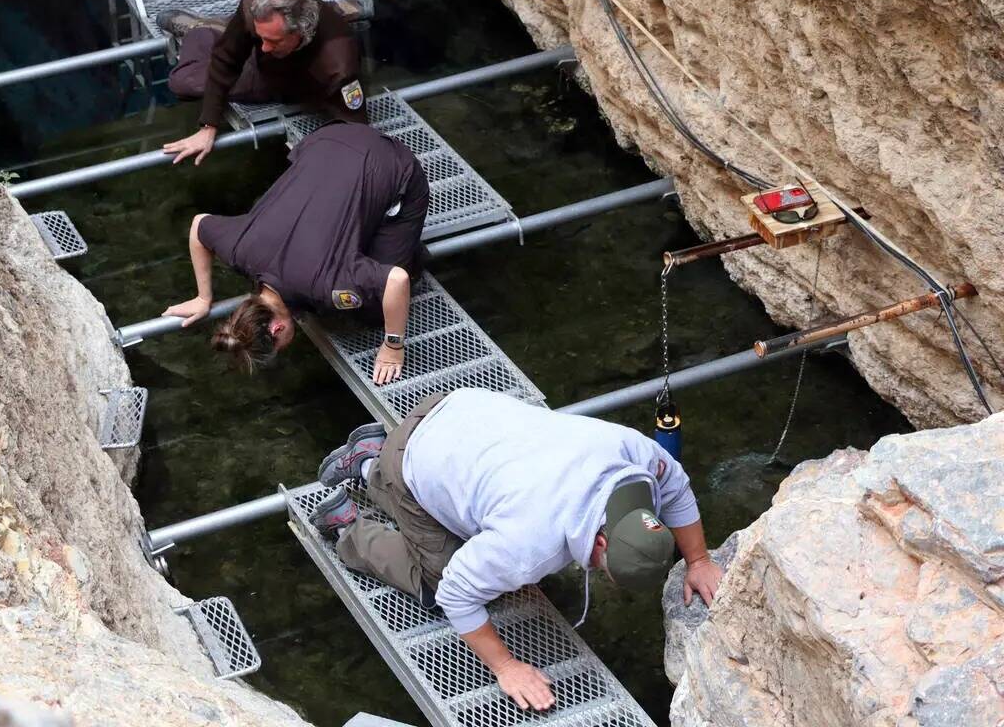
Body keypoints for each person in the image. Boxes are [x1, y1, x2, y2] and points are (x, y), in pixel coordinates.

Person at [309, 388, 725, 712]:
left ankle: (376, 459)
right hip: (419, 455)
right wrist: (506, 668)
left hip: (464, 411)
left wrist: (699, 560)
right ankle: (350, 518)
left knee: (474, 528)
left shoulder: (637, 457)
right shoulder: (531, 543)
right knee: (434, 584)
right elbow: (458, 594)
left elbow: (677, 487)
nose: (599, 572)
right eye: (604, 567)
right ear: (601, 541)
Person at [162, 121, 428, 384]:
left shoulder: (326, 285)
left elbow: (396, 280)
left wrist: (393, 346)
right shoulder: (239, 251)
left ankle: (416, 255)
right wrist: (202, 297)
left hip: (390, 162)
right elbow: (199, 226)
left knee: (370, 310)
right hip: (329, 137)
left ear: (277, 328)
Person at [158, 0, 368, 166]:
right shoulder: (253, 7)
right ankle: (199, 29)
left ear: (299, 33)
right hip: (266, 58)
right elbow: (225, 60)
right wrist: (209, 125)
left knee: (196, 74)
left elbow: (357, 133)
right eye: (262, 37)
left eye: (273, 41)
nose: (265, 46)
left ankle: (219, 28)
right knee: (183, 82)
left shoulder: (338, 68)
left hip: (290, 79)